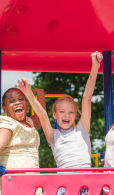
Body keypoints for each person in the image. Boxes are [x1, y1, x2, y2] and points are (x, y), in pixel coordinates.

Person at [19, 51, 103, 195]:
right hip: (64, 185)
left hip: (86, 184)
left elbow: (86, 98)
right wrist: (28, 94)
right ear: (55, 115)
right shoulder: (54, 135)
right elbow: (42, 116)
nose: (67, 115)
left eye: (71, 112)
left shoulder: (82, 130)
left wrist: (95, 66)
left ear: (76, 115)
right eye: (62, 112)